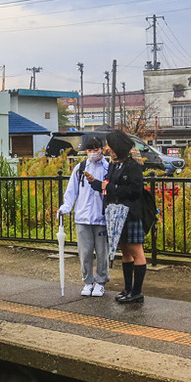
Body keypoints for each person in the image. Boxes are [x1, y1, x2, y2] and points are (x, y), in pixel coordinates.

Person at [93, 130, 148, 304]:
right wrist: (97, 184)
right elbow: (108, 185)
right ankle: (128, 289)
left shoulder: (133, 166)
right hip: (116, 214)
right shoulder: (113, 165)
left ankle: (137, 292)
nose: (108, 148)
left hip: (130, 214)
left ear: (118, 147)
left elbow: (135, 190)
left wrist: (111, 188)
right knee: (124, 250)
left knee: (136, 251)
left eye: (110, 145)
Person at [58, 137, 110, 296]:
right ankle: (88, 281)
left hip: (101, 218)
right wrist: (65, 208)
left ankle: (101, 281)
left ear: (102, 149)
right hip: (82, 217)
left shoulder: (108, 168)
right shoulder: (79, 169)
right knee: (85, 252)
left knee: (102, 252)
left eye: (96, 149)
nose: (93, 153)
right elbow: (71, 192)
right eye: (89, 150)